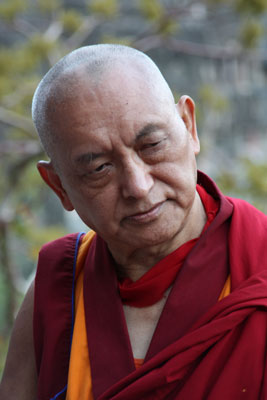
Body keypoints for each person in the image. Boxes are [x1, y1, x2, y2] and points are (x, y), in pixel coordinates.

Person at [1, 44, 267, 400]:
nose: (138, 186)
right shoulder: (57, 290)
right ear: (59, 186)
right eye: (99, 168)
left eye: (152, 145)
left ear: (189, 127)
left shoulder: (257, 265)